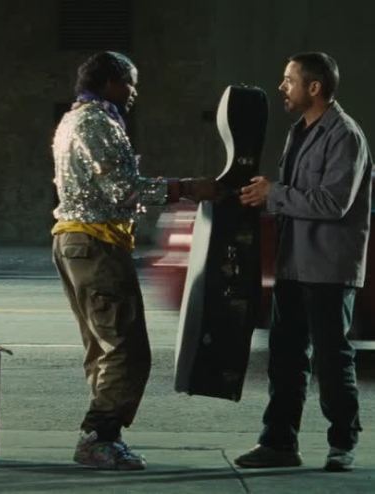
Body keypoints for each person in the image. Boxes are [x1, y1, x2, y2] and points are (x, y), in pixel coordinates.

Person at [51, 51, 216, 471]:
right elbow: (123, 189)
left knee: (104, 347)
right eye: (130, 82)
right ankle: (99, 437)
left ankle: (102, 435)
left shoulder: (74, 119)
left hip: (78, 242)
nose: (134, 92)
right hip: (97, 244)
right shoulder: (97, 122)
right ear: (110, 82)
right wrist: (187, 188)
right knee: (127, 349)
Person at [236, 52, 372, 472]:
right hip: (293, 263)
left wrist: (274, 194)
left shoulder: (344, 135)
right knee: (285, 358)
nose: (282, 86)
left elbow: (333, 202)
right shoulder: (299, 131)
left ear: (314, 87)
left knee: (332, 360)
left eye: (289, 80)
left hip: (327, 268)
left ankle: (342, 443)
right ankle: (278, 443)